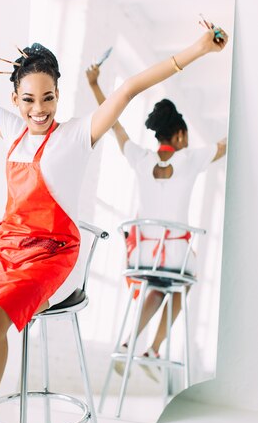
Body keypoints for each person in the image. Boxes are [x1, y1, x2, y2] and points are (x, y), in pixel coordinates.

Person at [0, 0, 228, 423]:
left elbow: (126, 90)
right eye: (28, 99)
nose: (39, 109)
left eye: (48, 98)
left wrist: (198, 49)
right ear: (15, 98)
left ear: (59, 95)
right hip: (6, 245)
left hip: (53, 252)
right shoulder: (10, 130)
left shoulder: (78, 133)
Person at [86, 54, 227, 380]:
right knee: (182, 283)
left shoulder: (139, 157)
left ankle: (129, 343)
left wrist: (94, 85)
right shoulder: (190, 159)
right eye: (186, 136)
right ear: (178, 135)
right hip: (176, 258)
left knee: (159, 286)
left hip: (143, 255)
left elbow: (113, 124)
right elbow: (223, 145)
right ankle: (153, 348)